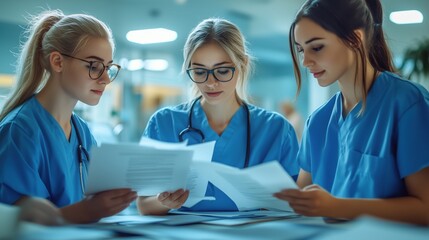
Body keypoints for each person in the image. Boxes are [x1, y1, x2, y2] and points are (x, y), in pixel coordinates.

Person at [274, 0, 429, 225]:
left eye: (316, 47)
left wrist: (337, 207)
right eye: (301, 50)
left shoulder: (407, 103)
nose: (306, 61)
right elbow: (302, 200)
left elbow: (425, 209)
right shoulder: (317, 122)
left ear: (355, 39)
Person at [137, 18, 300, 215]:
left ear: (242, 64)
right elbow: (144, 204)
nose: (210, 83)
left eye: (222, 71)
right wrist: (164, 202)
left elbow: (294, 203)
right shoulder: (164, 123)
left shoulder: (276, 129)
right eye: (199, 71)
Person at [0, 10, 137, 223]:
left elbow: (94, 196)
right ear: (58, 62)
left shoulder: (82, 131)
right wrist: (90, 211)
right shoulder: (20, 131)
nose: (105, 80)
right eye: (94, 66)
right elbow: (19, 224)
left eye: (108, 68)